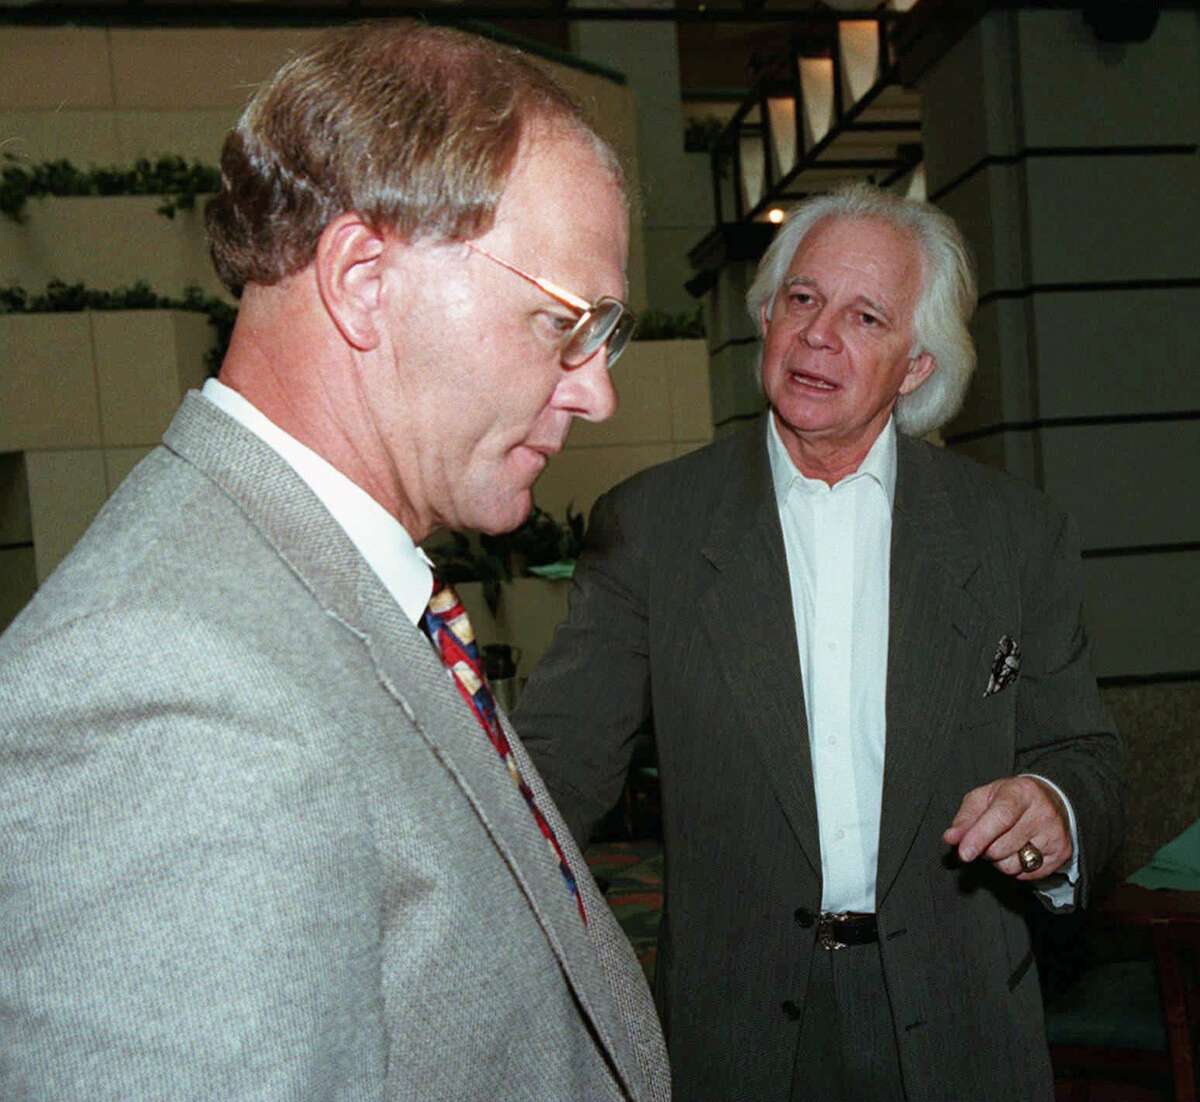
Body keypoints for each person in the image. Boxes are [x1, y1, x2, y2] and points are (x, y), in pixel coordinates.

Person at [0, 23, 669, 1102]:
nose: (597, 393)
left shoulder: (325, 589)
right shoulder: (165, 689)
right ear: (363, 278)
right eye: (564, 323)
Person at [514, 183, 1123, 1102]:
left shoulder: (1012, 534)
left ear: (916, 366)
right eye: (802, 299)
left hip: (963, 1027)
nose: (818, 335)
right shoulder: (655, 526)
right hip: (737, 1033)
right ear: (766, 315)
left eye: (865, 315)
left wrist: (1053, 806)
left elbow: (1083, 753)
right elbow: (557, 768)